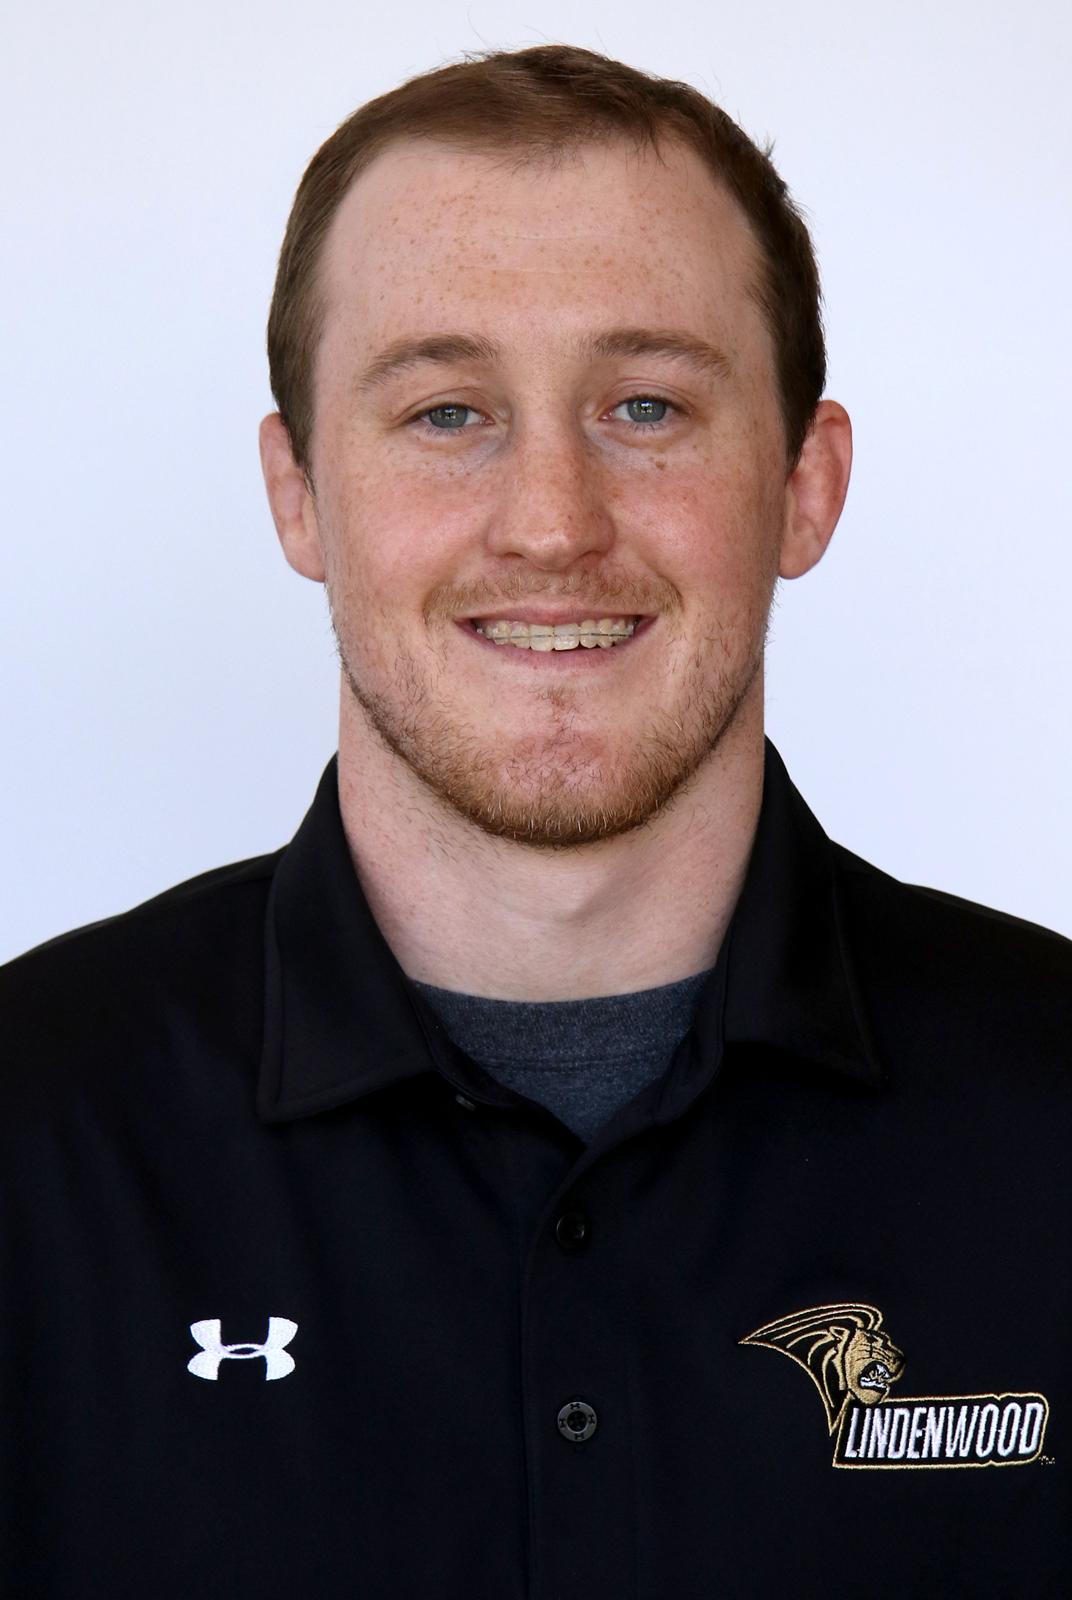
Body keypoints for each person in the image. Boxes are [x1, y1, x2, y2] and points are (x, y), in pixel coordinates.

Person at [2, 43, 1068, 1599]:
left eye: (646, 405)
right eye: (447, 412)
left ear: (804, 484)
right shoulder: (32, 1137)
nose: (555, 522)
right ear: (299, 495)